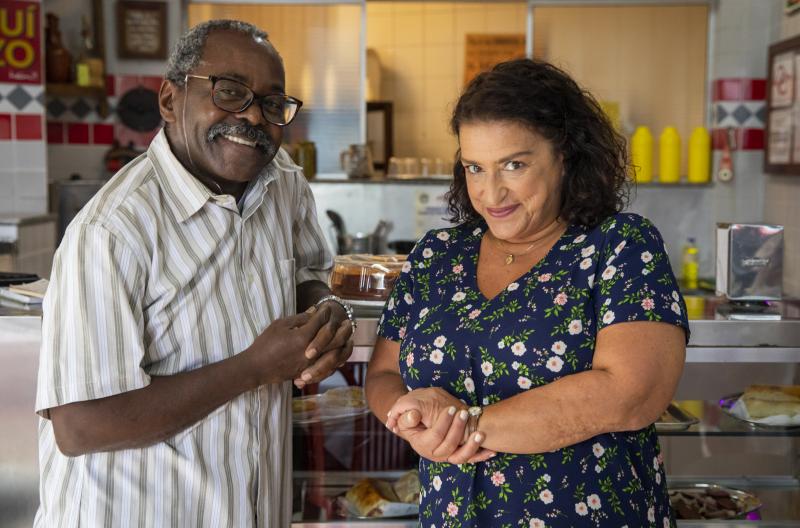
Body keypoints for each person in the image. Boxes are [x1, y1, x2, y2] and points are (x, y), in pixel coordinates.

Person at [35, 20, 356, 527]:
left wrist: (327, 310)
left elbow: (307, 273)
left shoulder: (282, 182)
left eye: (273, 103)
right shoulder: (112, 233)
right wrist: (254, 367)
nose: (253, 115)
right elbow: (80, 425)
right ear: (169, 100)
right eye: (229, 92)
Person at [366, 58, 688, 527]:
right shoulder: (437, 254)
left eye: (514, 164)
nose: (491, 192)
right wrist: (409, 419)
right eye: (474, 167)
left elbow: (632, 394)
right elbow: (383, 374)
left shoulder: (620, 244)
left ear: (565, 155)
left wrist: (461, 426)